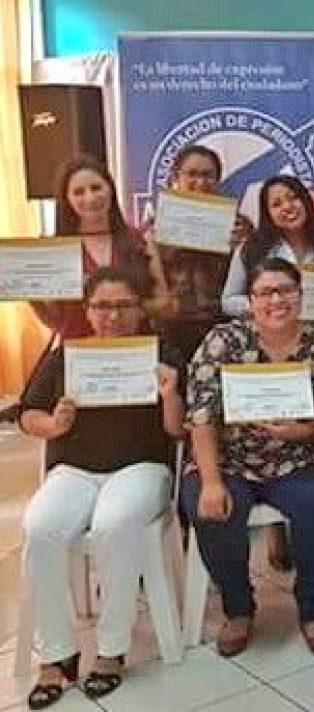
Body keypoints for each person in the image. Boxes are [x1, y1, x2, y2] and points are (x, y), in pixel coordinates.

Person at [19, 267, 184, 708]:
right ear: (87, 311)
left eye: (124, 306)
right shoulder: (66, 356)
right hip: (74, 470)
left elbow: (177, 431)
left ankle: (112, 648)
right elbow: (28, 414)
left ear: (140, 309)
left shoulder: (162, 354)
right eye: (103, 307)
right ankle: (57, 653)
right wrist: (53, 424)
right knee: (40, 528)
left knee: (113, 524)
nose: (113, 316)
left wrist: (170, 395)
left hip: (141, 467)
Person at [181, 258, 314, 658]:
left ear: (301, 296)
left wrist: (303, 431)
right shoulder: (223, 341)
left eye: (286, 290)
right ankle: (238, 609)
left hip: (297, 456)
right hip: (229, 458)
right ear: (250, 300)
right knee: (213, 509)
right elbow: (200, 415)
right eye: (266, 292)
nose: (277, 300)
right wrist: (212, 482)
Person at [32, 156, 172, 340]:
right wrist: (30, 294)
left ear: (110, 190)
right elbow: (56, 321)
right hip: (79, 349)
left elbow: (166, 304)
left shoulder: (141, 240)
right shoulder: (56, 251)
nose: (90, 197)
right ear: (66, 199)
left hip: (135, 348)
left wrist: (122, 308)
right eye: (79, 192)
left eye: (96, 188)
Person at [146, 145, 254, 360]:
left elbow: (254, 278)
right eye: (192, 174)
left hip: (223, 324)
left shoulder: (239, 225)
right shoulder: (155, 227)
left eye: (208, 175)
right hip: (172, 326)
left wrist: (240, 247)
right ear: (176, 177)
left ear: (218, 180)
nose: (201, 182)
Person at [222, 176, 314, 316]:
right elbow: (228, 301)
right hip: (267, 327)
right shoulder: (250, 250)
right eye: (276, 204)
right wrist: (262, 304)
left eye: (293, 198)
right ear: (268, 214)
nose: (287, 207)